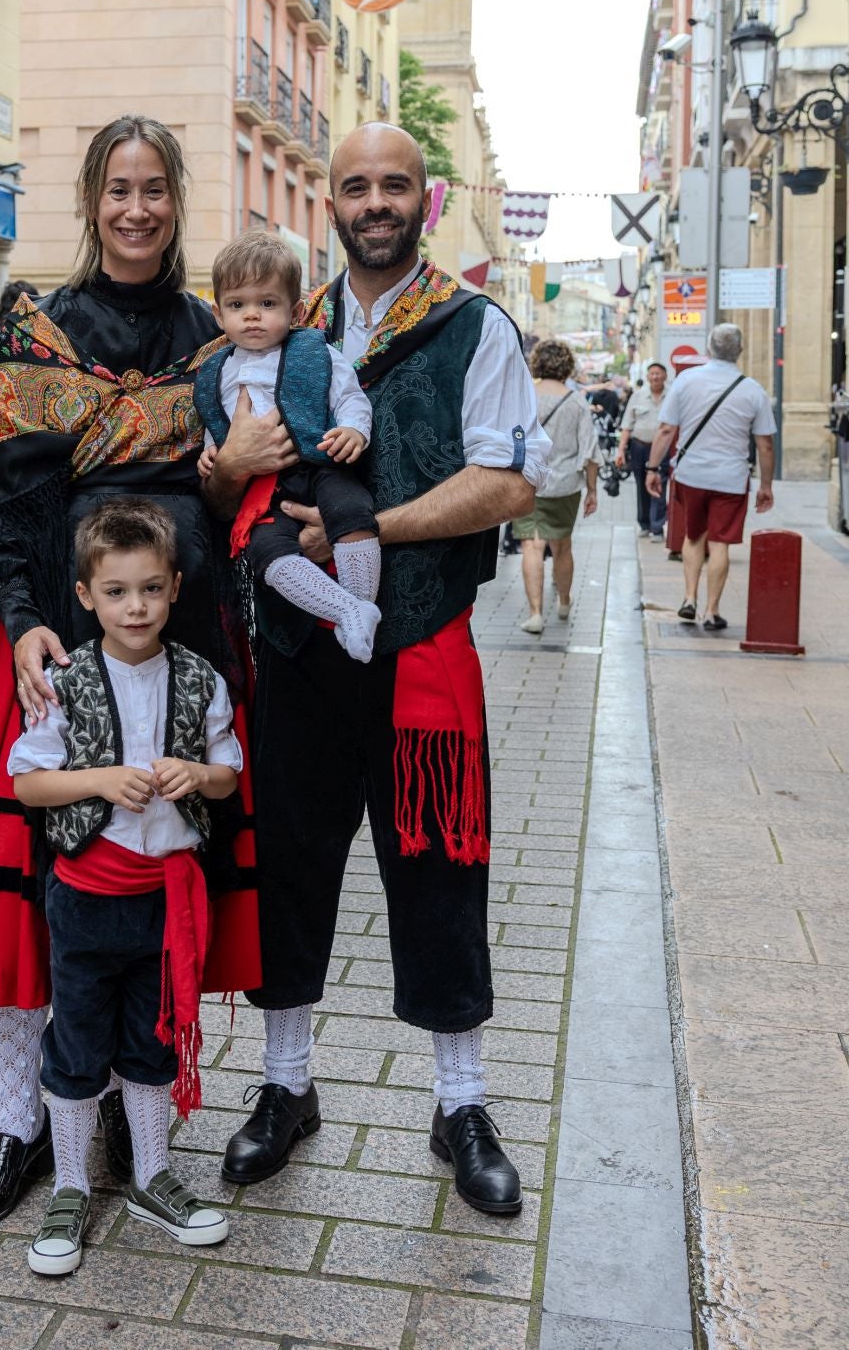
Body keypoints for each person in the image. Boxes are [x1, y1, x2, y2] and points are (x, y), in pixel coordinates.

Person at [205, 123, 548, 1217]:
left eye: (392, 185)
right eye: (354, 185)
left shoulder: (470, 323)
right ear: (331, 201)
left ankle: (459, 1103)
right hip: (299, 647)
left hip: (419, 643)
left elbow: (502, 487)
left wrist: (371, 533)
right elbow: (220, 481)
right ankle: (285, 1085)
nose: (373, 202)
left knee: (436, 867)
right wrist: (228, 475)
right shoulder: (276, 325)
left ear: (424, 199)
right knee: (292, 864)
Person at [0, 116, 259, 1236]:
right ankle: (19, 1122)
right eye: (116, 188)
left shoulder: (214, 334)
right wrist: (20, 621)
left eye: (153, 188)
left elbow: (233, 501)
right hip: (50, 642)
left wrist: (222, 486)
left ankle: (125, 1104)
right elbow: (12, 494)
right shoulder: (39, 325)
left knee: (146, 872)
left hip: (177, 641)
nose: (134, 209)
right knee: (20, 905)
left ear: (175, 199)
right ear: (89, 198)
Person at [10, 500, 237, 1275]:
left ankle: (150, 1176)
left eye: (149, 588)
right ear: (85, 596)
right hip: (85, 899)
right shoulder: (65, 681)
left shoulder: (200, 677)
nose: (134, 606)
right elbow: (27, 784)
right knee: (76, 1044)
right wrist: (102, 780)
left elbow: (230, 775)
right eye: (115, 591)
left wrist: (198, 775)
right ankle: (71, 1183)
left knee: (153, 1040)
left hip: (166, 905)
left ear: (174, 587)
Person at [194, 229, 380, 661]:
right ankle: (349, 611)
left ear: (295, 311)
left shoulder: (316, 353)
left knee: (353, 514)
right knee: (266, 552)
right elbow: (217, 420)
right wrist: (211, 451)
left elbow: (350, 397)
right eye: (238, 305)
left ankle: (361, 606)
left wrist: (354, 430)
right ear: (219, 315)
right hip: (266, 490)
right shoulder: (216, 370)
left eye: (267, 303)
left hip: (322, 463)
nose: (252, 316)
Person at [646, 322, 775, 630]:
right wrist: (766, 486)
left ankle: (689, 598)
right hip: (730, 477)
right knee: (720, 544)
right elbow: (765, 445)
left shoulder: (686, 380)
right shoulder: (753, 389)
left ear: (708, 349)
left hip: (691, 474)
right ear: (740, 351)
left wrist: (653, 468)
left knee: (693, 537)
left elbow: (666, 430)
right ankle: (712, 611)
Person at [515, 339, 600, 636]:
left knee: (531, 545)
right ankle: (564, 601)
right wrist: (592, 490)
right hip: (564, 485)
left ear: (537, 363)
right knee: (562, 546)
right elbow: (589, 451)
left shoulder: (525, 397)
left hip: (526, 482)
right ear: (567, 366)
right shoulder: (576, 401)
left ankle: (536, 613)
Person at [617, 362, 668, 539]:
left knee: (660, 484)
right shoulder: (638, 396)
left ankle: (657, 527)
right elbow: (627, 425)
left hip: (662, 448)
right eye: (652, 374)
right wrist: (621, 450)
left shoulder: (671, 396)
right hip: (640, 447)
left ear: (665, 376)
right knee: (641, 485)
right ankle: (644, 523)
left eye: (658, 374)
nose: (655, 377)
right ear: (647, 377)